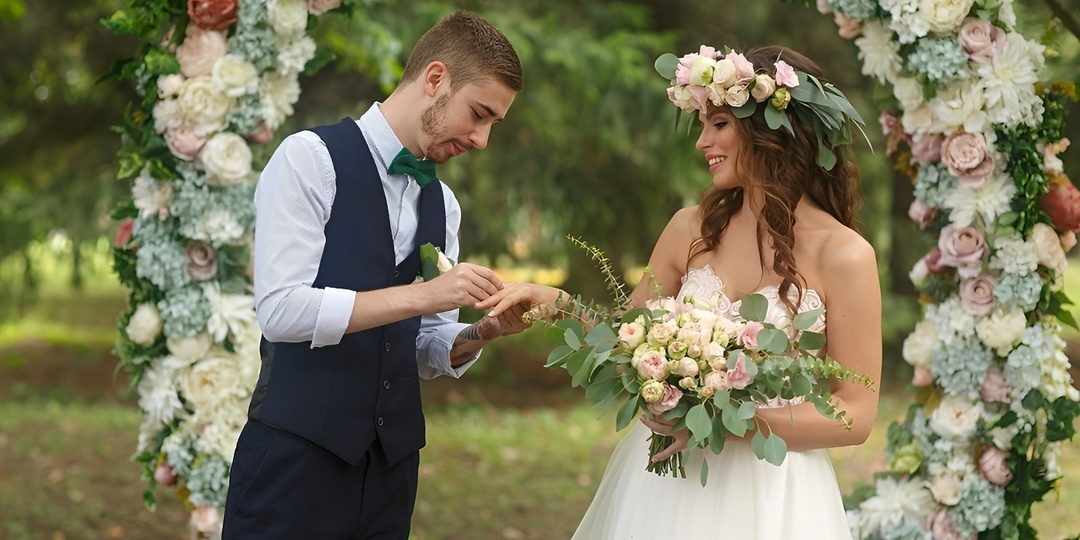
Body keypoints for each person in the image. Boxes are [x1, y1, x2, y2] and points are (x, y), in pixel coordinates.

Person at [478, 45, 882, 539]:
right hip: (665, 488)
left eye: (719, 124)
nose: (702, 142)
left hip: (774, 492)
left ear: (773, 129)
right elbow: (626, 340)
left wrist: (726, 421)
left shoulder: (845, 256)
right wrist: (555, 304)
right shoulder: (689, 229)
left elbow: (856, 414)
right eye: (702, 125)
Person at [222, 11, 531, 539]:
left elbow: (425, 346)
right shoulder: (309, 159)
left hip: (390, 474)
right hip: (294, 466)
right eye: (478, 114)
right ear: (435, 78)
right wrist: (423, 297)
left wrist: (482, 332)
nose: (482, 140)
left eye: (492, 125)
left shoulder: (444, 205)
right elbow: (281, 311)